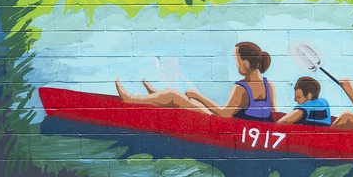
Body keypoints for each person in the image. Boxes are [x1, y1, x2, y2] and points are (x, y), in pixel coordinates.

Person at [115, 42, 276, 121]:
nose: (235, 63)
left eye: (236, 59)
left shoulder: (241, 88)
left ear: (246, 64)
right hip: (247, 128)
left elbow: (223, 114)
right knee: (187, 100)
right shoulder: (268, 85)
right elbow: (274, 115)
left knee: (177, 97)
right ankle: (156, 96)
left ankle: (131, 99)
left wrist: (199, 96)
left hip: (224, 126)